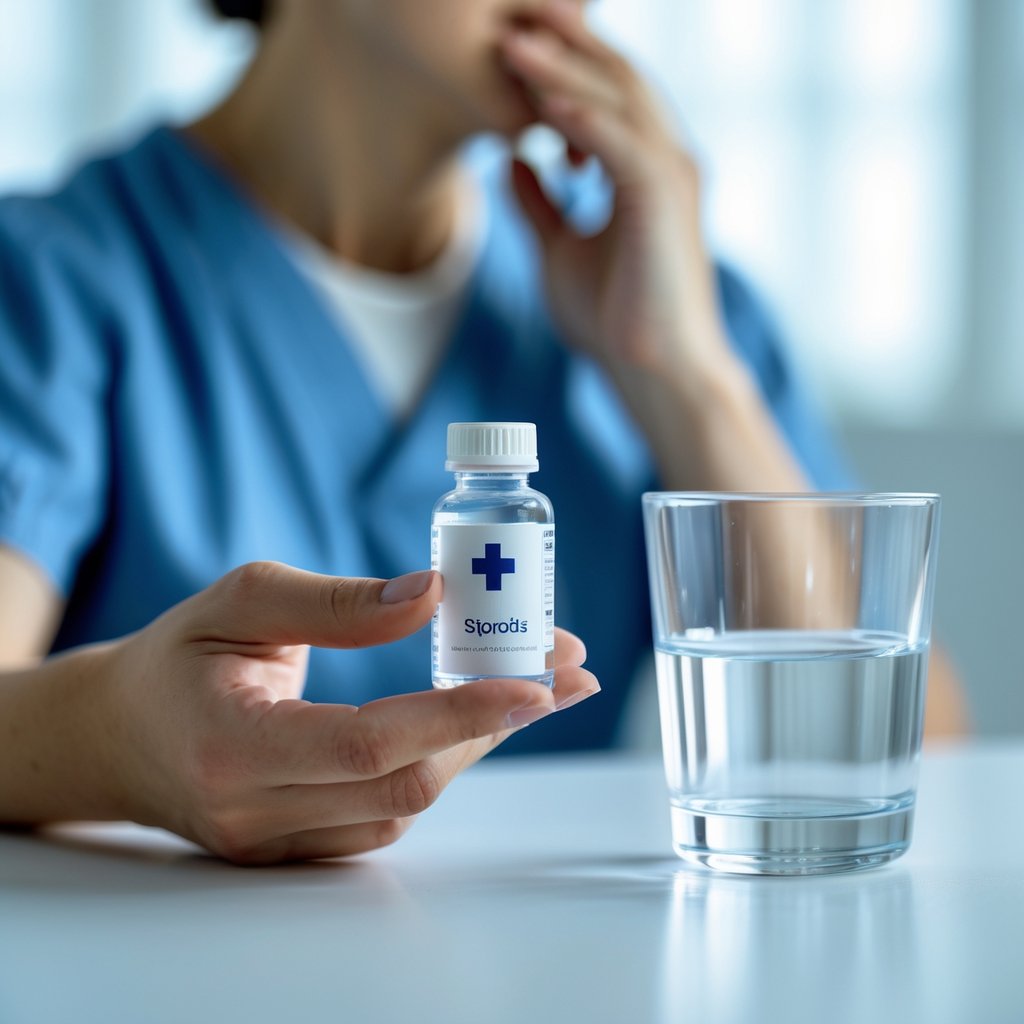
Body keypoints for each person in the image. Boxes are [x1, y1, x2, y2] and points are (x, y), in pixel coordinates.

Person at [0, 0, 968, 864]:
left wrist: (682, 373)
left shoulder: (662, 293)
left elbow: (914, 758)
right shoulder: (46, 283)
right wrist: (110, 746)